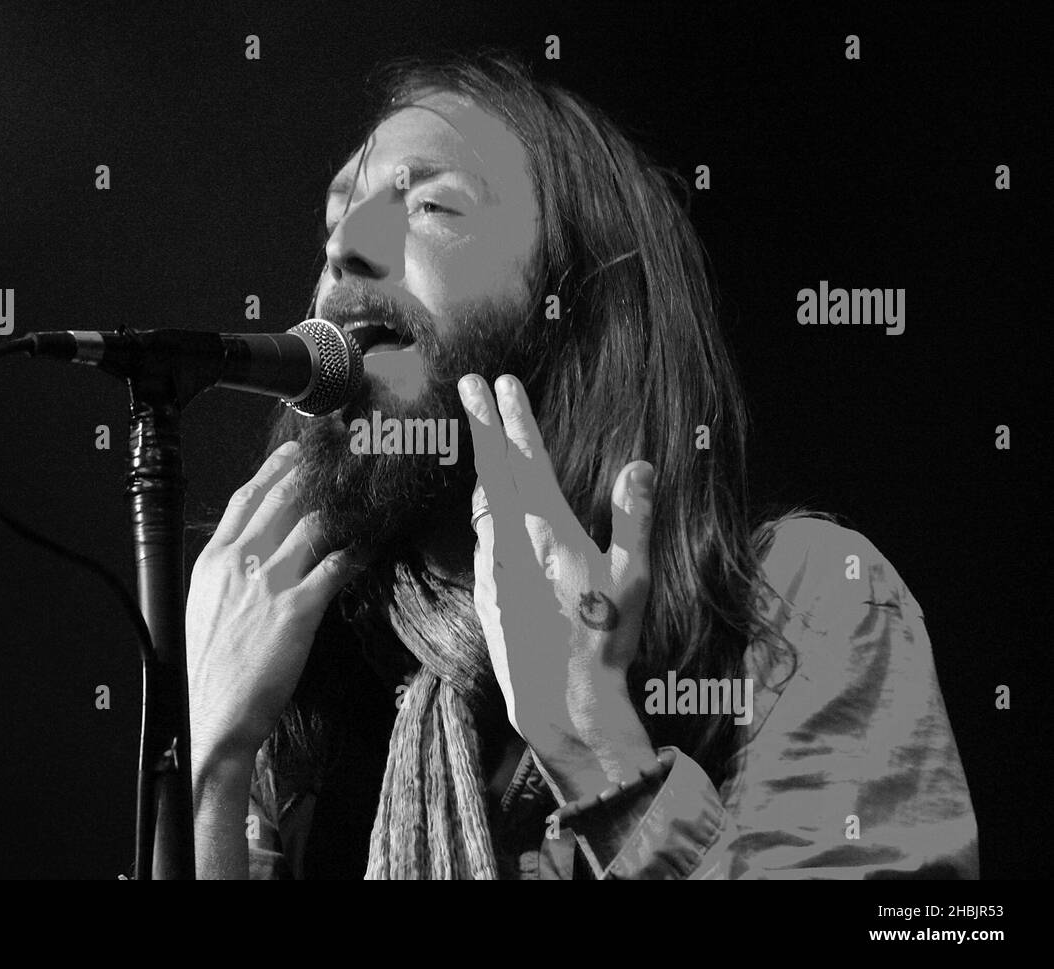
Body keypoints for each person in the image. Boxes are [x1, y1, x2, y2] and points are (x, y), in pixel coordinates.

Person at [185, 51, 979, 879]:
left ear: (580, 309)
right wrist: (211, 763)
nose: (345, 247)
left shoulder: (800, 603)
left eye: (430, 204)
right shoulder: (304, 673)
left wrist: (592, 745)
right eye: (334, 222)